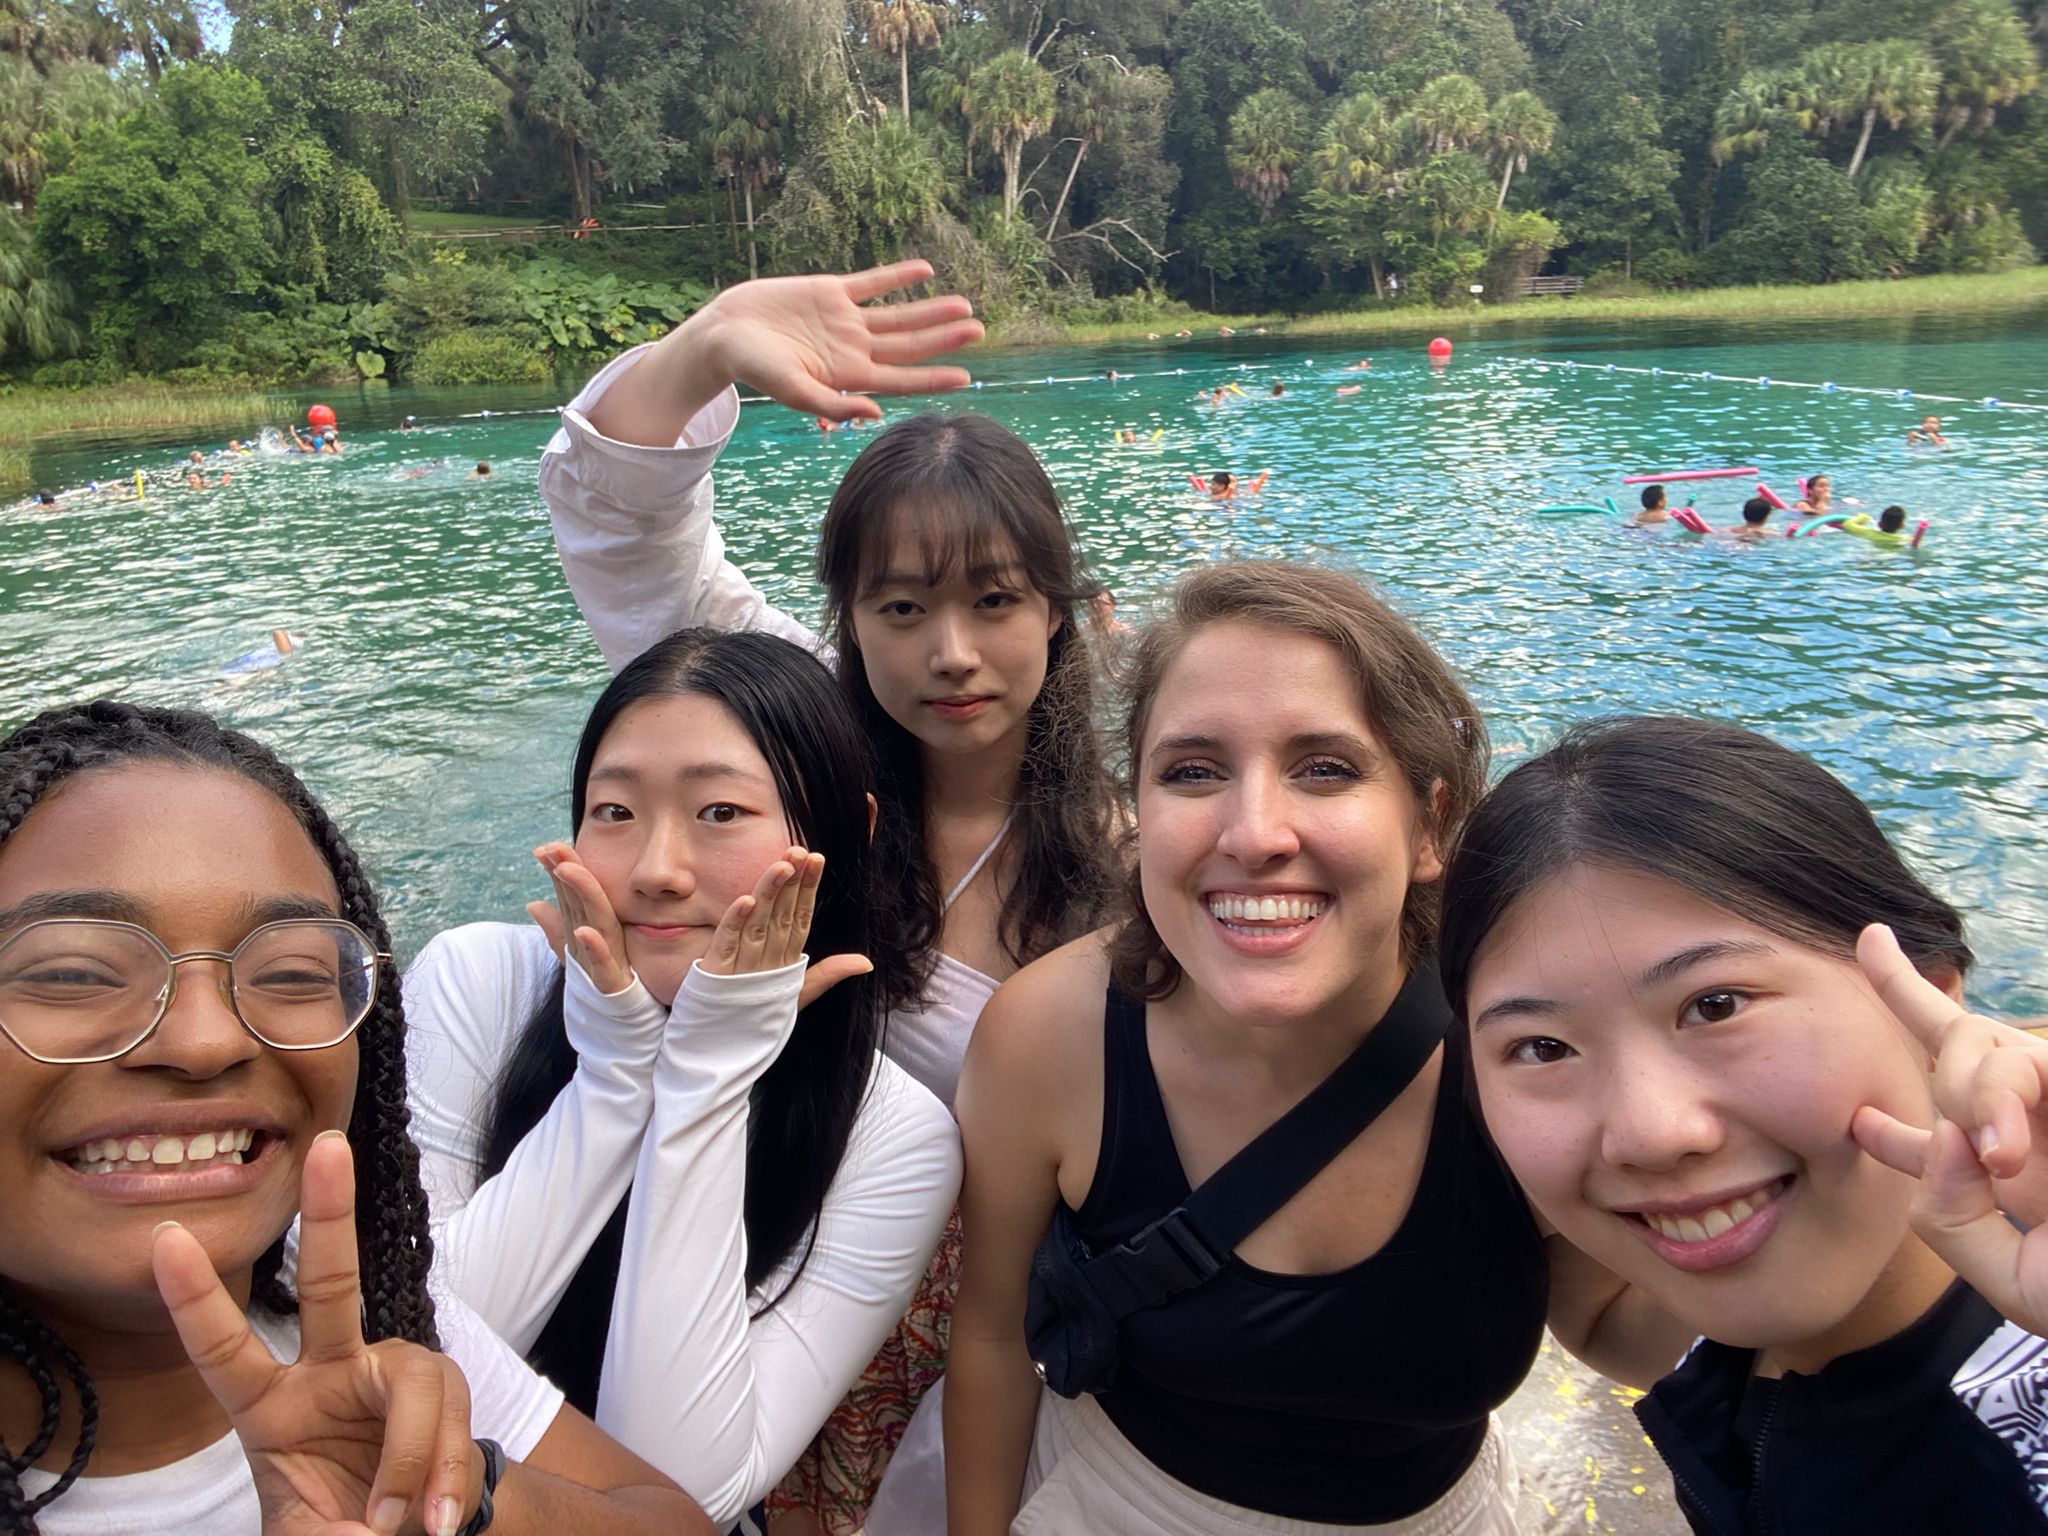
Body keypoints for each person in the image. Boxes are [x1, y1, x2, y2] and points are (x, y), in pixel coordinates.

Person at [534, 259, 1121, 1533]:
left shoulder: (1125, 861)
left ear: (1060, 614)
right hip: (762, 1281)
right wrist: (703, 346)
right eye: (900, 608)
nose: (950, 653)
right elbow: (625, 537)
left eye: (995, 601)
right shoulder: (792, 742)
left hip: (1007, 1349)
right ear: (847, 620)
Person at [944, 562, 1686, 1536]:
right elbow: (993, 1335)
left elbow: (1608, 1331)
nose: (1253, 833)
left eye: (1324, 768)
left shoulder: (1521, 1044)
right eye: (1192, 771)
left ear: (1427, 823)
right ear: (1139, 812)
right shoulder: (1051, 1035)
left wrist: (1807, 1179)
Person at [0, 699, 715, 1536]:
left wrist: (465, 1497)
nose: (204, 1039)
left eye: (294, 972)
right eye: (75, 974)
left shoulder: (355, 1316)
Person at [403, 629, 960, 1532]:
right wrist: (615, 1077)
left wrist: (703, 1085)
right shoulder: (476, 983)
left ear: (846, 835)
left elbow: (680, 1489)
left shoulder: (891, 1134)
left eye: (720, 813)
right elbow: (406, 1348)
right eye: (615, 811)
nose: (656, 872)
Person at [1439, 715, 2048, 1534]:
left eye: (1716, 1005)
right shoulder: (1721, 1340)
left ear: (1927, 999)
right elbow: (1602, 1320)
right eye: (1543, 1046)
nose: (1653, 1132)